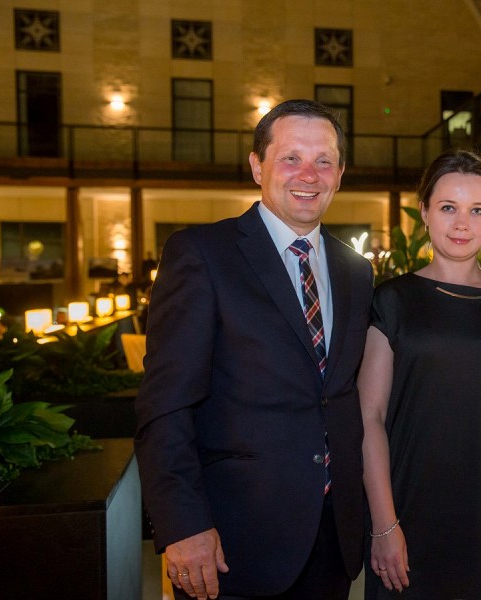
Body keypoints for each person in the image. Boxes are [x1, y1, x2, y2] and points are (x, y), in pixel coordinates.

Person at [134, 99, 374, 599]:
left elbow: (340, 396)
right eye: (291, 158)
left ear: (340, 174)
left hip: (333, 539)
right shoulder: (202, 254)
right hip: (231, 541)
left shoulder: (357, 271)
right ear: (256, 166)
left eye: (324, 161)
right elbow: (165, 405)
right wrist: (182, 524)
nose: (308, 174)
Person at [359, 149, 481, 600]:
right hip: (408, 510)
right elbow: (369, 417)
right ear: (425, 212)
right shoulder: (392, 300)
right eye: (449, 207)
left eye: (477, 210)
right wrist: (383, 524)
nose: (462, 224)